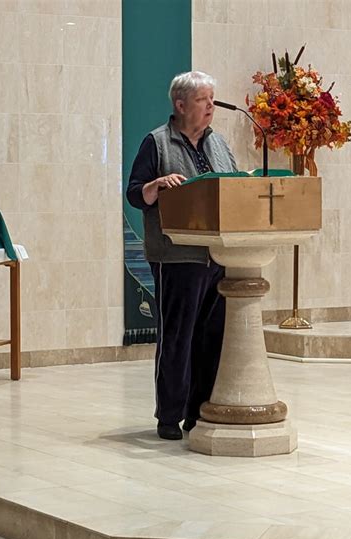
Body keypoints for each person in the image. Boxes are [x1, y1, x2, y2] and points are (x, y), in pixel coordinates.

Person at [126, 71, 238, 440]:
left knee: (210, 337)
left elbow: (234, 185)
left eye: (212, 98)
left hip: (217, 256)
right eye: (204, 99)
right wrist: (156, 186)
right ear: (180, 105)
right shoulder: (157, 143)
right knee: (177, 338)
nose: (211, 106)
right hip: (176, 256)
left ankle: (199, 411)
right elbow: (134, 193)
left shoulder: (218, 143)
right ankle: (170, 416)